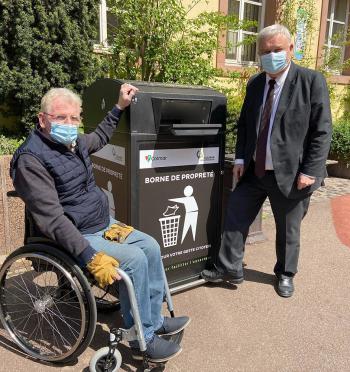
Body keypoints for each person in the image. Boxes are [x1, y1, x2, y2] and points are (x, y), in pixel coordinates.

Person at [10, 84, 190, 362]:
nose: (69, 124)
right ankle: (144, 339)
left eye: (74, 118)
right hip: (74, 234)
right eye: (60, 118)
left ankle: (152, 318)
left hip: (102, 223)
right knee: (135, 260)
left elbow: (101, 136)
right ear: (42, 119)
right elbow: (53, 219)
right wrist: (89, 257)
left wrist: (120, 106)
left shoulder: (74, 144)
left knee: (151, 246)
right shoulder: (30, 160)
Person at [201, 24, 332, 298]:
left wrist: (310, 170)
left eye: (277, 50)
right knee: (235, 215)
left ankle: (285, 273)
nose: (270, 56)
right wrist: (239, 158)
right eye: (265, 51)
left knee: (288, 229)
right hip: (254, 170)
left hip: (293, 173)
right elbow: (247, 125)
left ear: (291, 50)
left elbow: (322, 130)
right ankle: (229, 267)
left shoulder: (311, 82)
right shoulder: (256, 83)